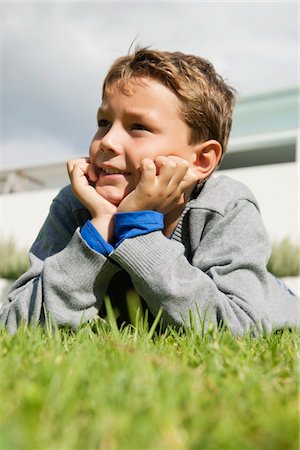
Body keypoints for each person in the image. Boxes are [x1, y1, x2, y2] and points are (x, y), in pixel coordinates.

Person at [1, 48, 299, 335]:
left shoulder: (225, 206)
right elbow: (13, 323)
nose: (107, 141)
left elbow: (236, 327)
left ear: (200, 160)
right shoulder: (78, 204)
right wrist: (100, 229)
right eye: (103, 123)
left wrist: (138, 228)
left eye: (138, 127)